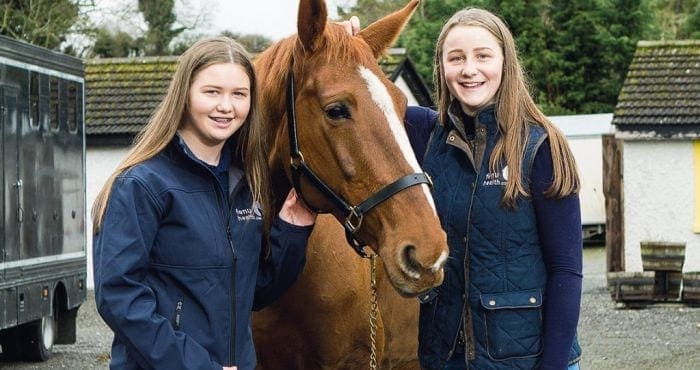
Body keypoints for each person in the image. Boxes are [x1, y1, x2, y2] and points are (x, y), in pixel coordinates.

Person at [344, 6, 582, 369]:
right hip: (446, 359)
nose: (469, 70)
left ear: (505, 61)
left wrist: (553, 366)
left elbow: (566, 268)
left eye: (482, 56)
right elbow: (367, 96)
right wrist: (349, 47)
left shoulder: (541, 146)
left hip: (525, 361)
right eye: (455, 58)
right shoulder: (425, 134)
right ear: (442, 67)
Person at [91, 36, 316, 370]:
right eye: (212, 92)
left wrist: (292, 231)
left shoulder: (246, 184)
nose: (226, 106)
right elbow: (119, 297)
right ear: (184, 95)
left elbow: (254, 293)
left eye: (239, 94)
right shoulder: (141, 185)